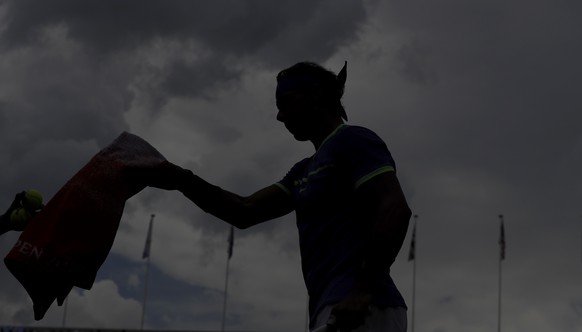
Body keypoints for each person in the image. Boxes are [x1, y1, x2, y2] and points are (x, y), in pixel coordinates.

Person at [147, 61, 411, 332]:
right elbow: (244, 210)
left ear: (316, 96)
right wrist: (177, 177)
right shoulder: (302, 171)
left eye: (285, 103)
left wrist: (363, 289)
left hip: (364, 306)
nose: (279, 116)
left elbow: (395, 208)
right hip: (335, 308)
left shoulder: (353, 139)